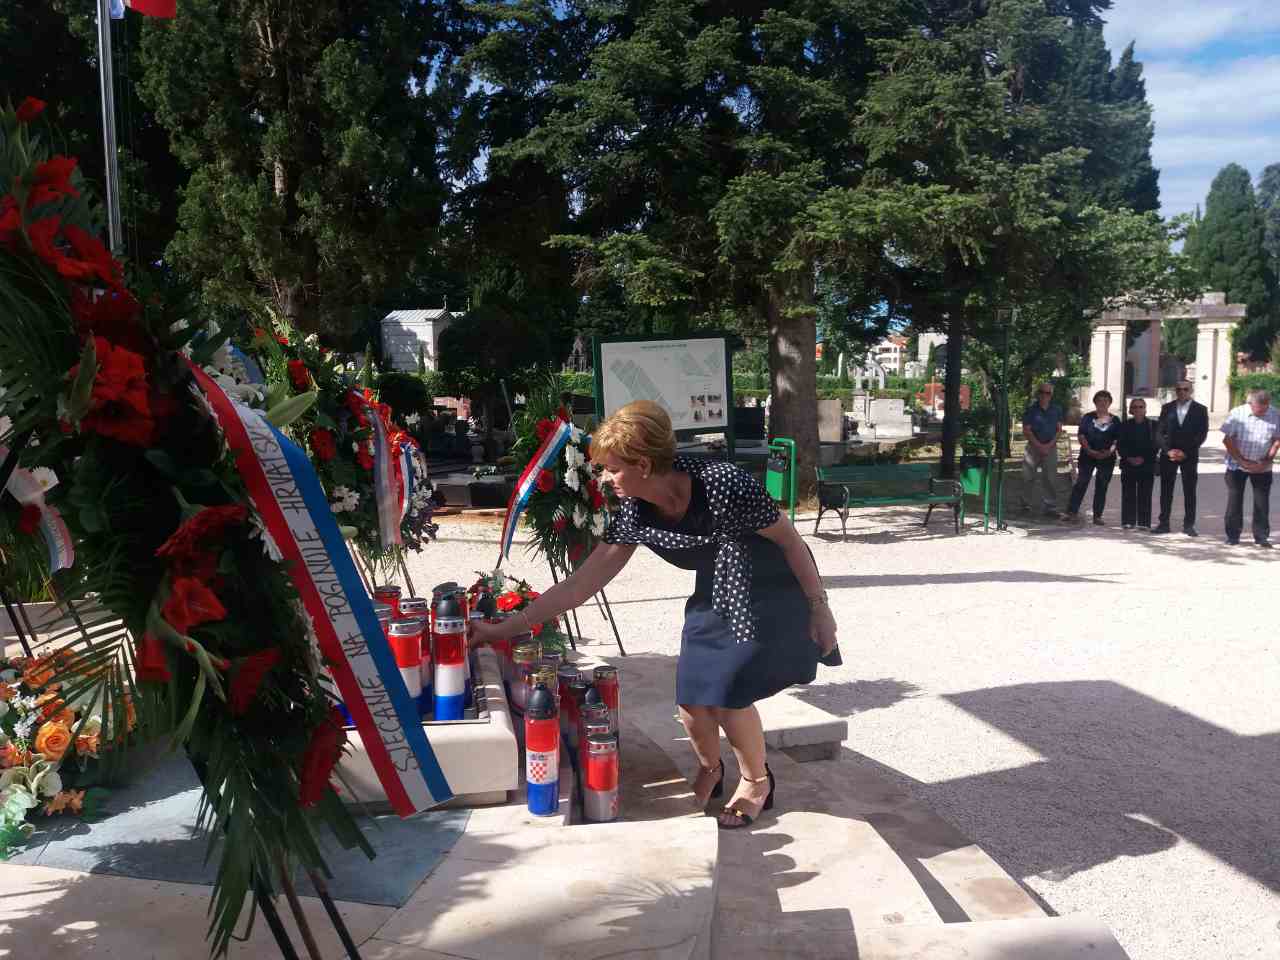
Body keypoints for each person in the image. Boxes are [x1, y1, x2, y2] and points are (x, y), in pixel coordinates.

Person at [470, 400, 838, 830]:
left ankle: (757, 781)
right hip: (716, 588)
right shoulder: (635, 511)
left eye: (612, 469)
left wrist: (819, 608)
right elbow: (579, 585)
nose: (604, 479)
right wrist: (505, 627)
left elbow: (791, 541)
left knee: (729, 691)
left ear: (643, 465)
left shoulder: (723, 483)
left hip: (770, 587)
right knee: (692, 701)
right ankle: (712, 769)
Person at [1220, 389, 1280, 547]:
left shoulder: (1275, 414)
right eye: (1259, 409)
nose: (1262, 412)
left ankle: (1261, 536)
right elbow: (1227, 440)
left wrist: (1267, 461)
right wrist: (1241, 461)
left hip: (1263, 466)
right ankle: (1233, 536)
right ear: (1250, 404)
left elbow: (1276, 440)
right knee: (1235, 500)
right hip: (1236, 465)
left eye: (1265, 409)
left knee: (1262, 501)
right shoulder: (1237, 413)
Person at [1154, 380, 1208, 536]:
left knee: (1189, 490)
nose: (1182, 392)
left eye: (1185, 389)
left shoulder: (1200, 409)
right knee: (1166, 490)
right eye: (1178, 389)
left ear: (1191, 391)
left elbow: (1202, 434)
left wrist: (1186, 452)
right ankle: (1164, 523)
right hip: (1169, 456)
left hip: (1189, 456)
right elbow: (1159, 432)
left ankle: (1189, 525)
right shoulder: (1167, 408)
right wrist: (1168, 451)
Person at [1062, 390, 1119, 525]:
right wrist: (1089, 450)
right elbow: (1081, 435)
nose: (1102, 403)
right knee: (1081, 483)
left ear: (1110, 403)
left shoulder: (1115, 420)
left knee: (1102, 486)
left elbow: (1117, 439)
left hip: (1107, 457)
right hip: (1087, 456)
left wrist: (1109, 452)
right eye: (1099, 400)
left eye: (1105, 400)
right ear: (1095, 402)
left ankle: (1097, 516)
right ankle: (1071, 512)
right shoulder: (1087, 418)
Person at [1021, 383, 1063, 516]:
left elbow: (1059, 430)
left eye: (1048, 393)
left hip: (1050, 447)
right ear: (1038, 393)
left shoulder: (1057, 410)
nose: (1045, 395)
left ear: (1051, 395)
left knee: (1050, 478)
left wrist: (1048, 446)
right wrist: (1039, 446)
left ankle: (1050, 506)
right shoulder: (1030, 410)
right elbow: (1026, 430)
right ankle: (1025, 504)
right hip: (1033, 448)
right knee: (1028, 477)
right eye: (1042, 392)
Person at [1117, 398, 1158, 530]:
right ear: (1131, 410)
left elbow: (1156, 445)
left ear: (1145, 409)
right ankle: (1128, 521)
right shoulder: (1124, 425)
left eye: (1141, 407)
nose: (1138, 409)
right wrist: (1129, 458)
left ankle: (1144, 522)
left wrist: (1143, 458)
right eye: (1135, 407)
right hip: (1128, 464)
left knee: (1145, 494)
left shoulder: (1153, 425)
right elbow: (1120, 444)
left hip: (1147, 464)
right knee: (1128, 493)